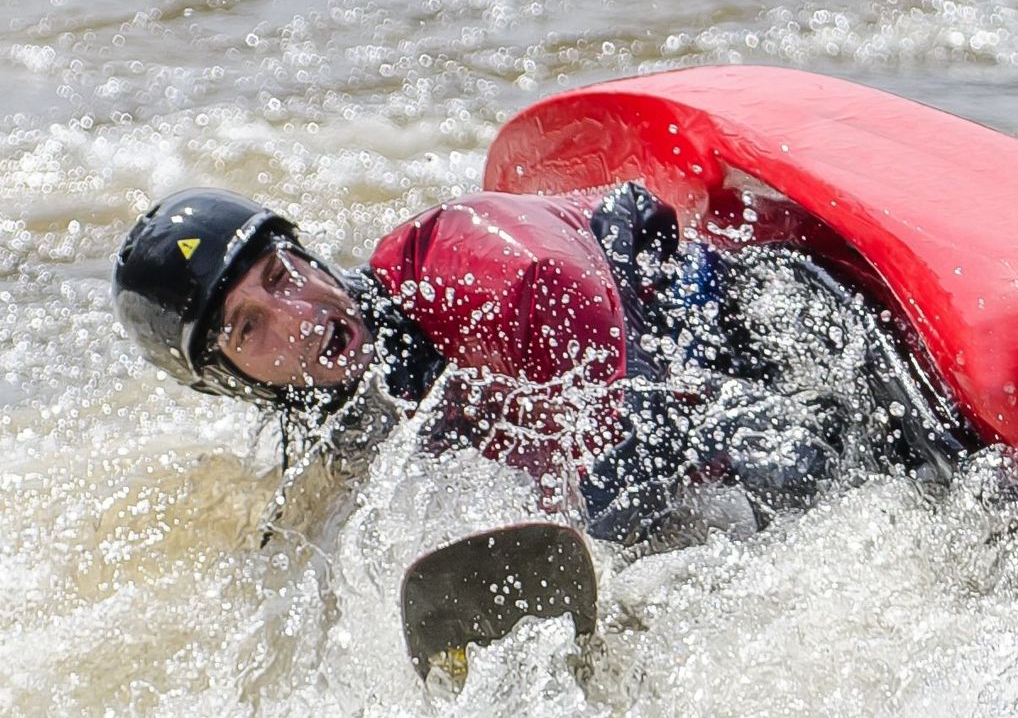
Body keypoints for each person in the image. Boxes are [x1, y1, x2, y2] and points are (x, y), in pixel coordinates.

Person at [112, 184, 973, 546]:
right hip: (684, 415)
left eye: (280, 274)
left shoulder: (470, 264)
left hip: (794, 326)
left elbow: (630, 406)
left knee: (794, 466)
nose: (298, 317)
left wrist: (595, 545)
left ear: (303, 250)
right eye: (251, 328)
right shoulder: (353, 428)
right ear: (233, 379)